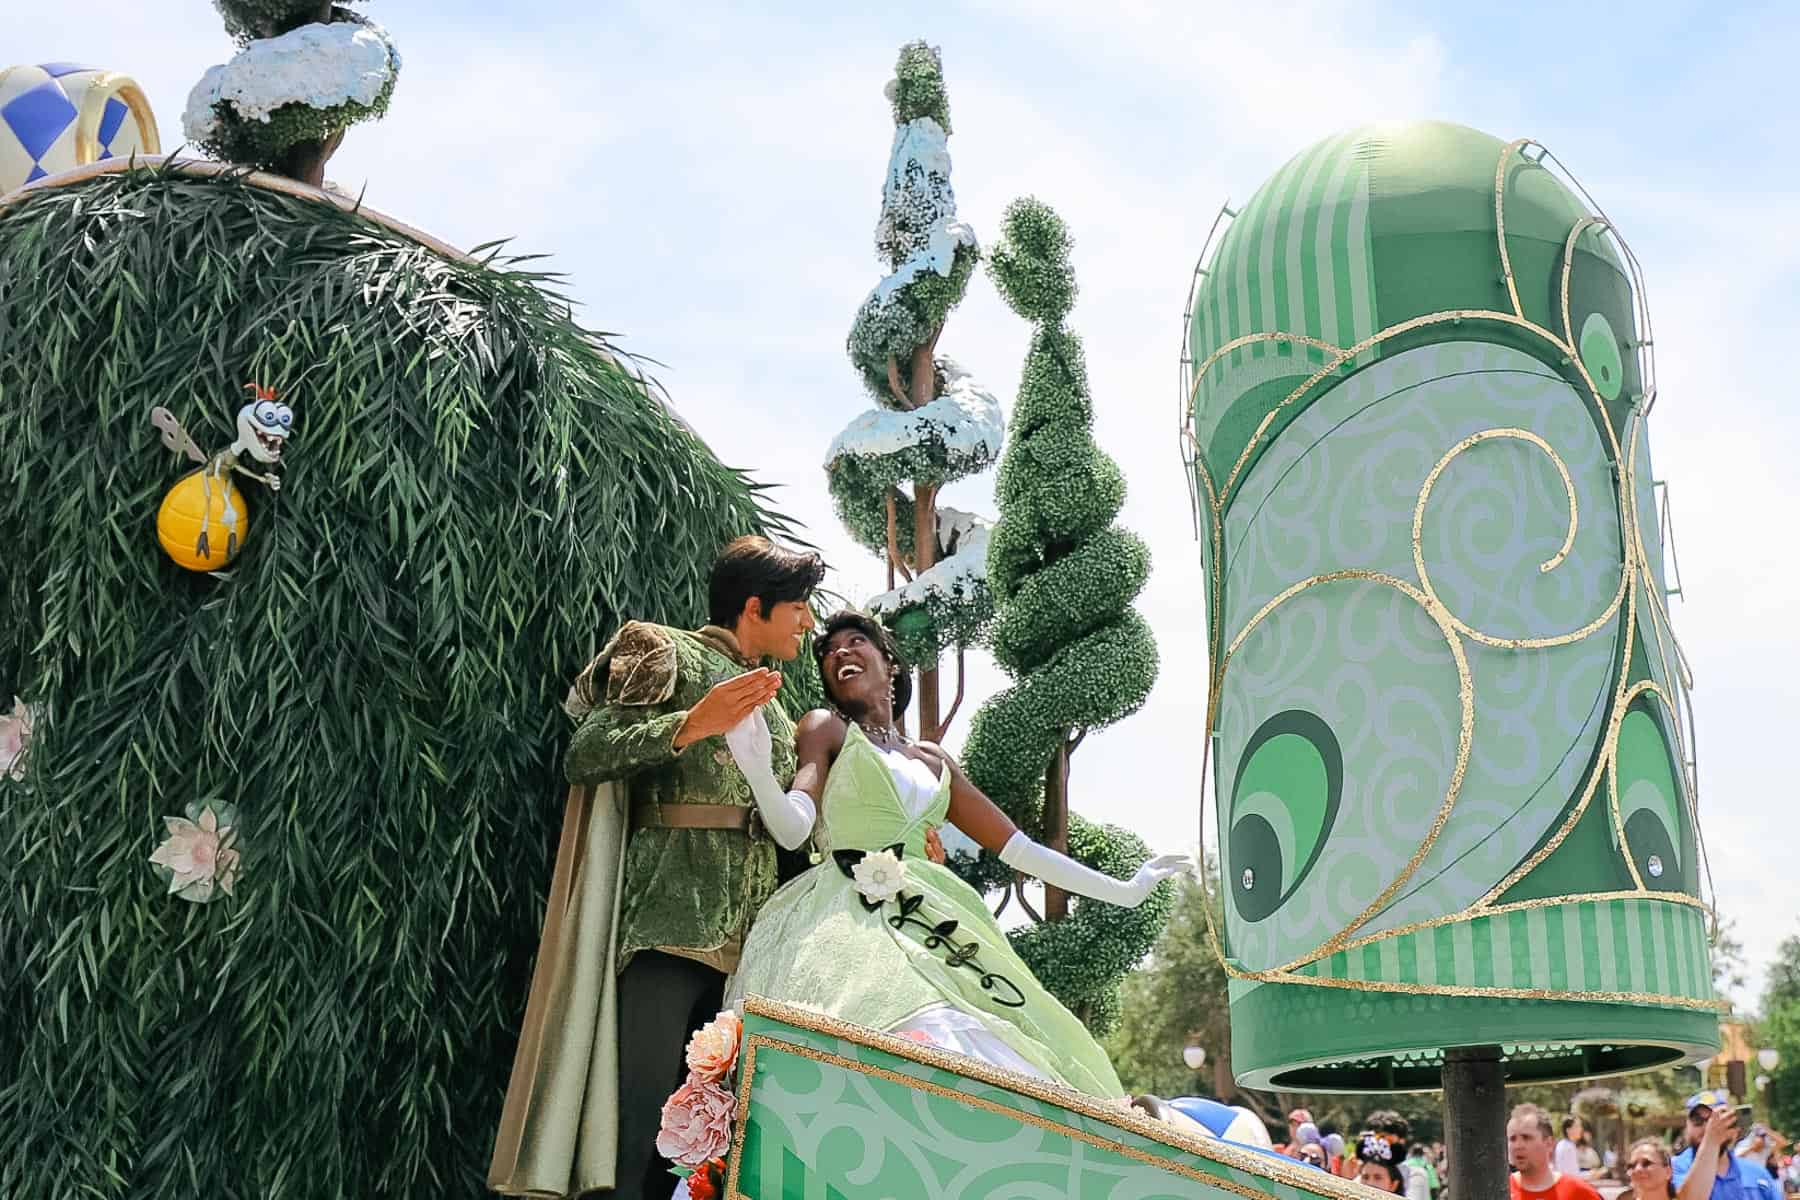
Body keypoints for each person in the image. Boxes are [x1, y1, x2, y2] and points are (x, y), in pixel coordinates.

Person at [721, 611, 1191, 1097]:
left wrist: (1124, 891)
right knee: (906, 1029)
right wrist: (756, 770)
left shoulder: (933, 759)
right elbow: (795, 827)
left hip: (934, 909)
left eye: (855, 641)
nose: (839, 653)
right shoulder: (827, 730)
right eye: (828, 652)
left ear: (890, 663)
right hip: (846, 918)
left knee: (1000, 1036)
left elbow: (1019, 849)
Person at [489, 536, 825, 1200]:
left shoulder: (781, 708)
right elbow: (587, 751)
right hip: (669, 926)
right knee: (635, 1126)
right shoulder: (665, 648)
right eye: (799, 607)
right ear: (755, 606)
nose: (808, 622)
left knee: (699, 1150)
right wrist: (691, 722)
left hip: (748, 956)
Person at [1672, 1093, 1782, 1200]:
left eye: (1716, 1120)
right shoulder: (1672, 1168)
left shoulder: (1756, 1172)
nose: (1708, 1127)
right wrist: (1711, 1141)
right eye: (1697, 1120)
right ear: (1687, 1125)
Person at [1510, 1102, 1605, 1200]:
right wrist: (1593, 1174)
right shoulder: (1501, 1190)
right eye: (1512, 1139)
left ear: (1549, 1143)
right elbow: (1572, 1174)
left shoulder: (1585, 1193)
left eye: (1526, 1138)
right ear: (1568, 1130)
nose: (1518, 1146)